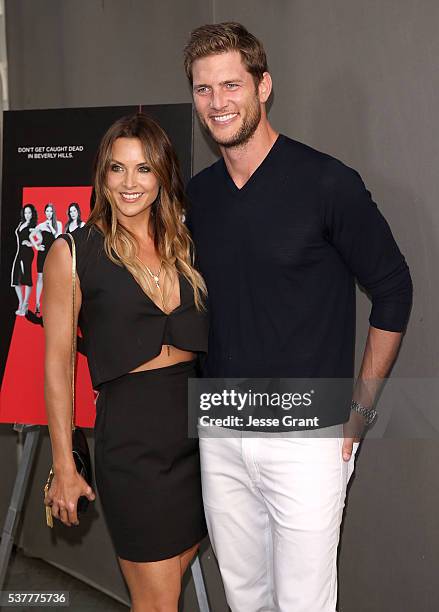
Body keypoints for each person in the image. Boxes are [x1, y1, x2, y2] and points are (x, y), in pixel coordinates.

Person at [183, 22, 413, 612]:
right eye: (204, 89)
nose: (217, 103)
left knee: (305, 604)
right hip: (222, 432)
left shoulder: (327, 183)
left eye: (231, 85)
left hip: (309, 437)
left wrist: (360, 410)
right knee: (245, 598)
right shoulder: (196, 199)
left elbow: (393, 289)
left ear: (264, 86)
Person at [43, 113, 208, 611]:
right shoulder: (72, 253)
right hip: (134, 445)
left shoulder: (187, 245)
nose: (130, 183)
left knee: (165, 592)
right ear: (103, 176)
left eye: (143, 169)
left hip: (200, 436)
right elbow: (57, 366)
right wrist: (64, 465)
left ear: (162, 174)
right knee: (157, 602)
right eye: (118, 169)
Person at [29, 203, 63, 315]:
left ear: (53, 212)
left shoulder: (58, 224)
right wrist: (37, 246)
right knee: (40, 278)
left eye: (50, 211)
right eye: (47, 211)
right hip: (42, 254)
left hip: (54, 254)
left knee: (53, 279)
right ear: (45, 213)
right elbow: (31, 236)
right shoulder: (41, 225)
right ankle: (37, 304)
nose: (49, 213)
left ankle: (53, 305)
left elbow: (58, 238)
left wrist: (51, 227)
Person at [11, 204, 38, 316]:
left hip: (27, 252)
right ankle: (21, 302)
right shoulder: (21, 223)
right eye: (26, 212)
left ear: (32, 214)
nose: (27, 215)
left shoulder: (33, 225)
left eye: (29, 213)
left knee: (26, 277)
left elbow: (39, 238)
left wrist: (31, 243)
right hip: (19, 252)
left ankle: (25, 304)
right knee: (15, 278)